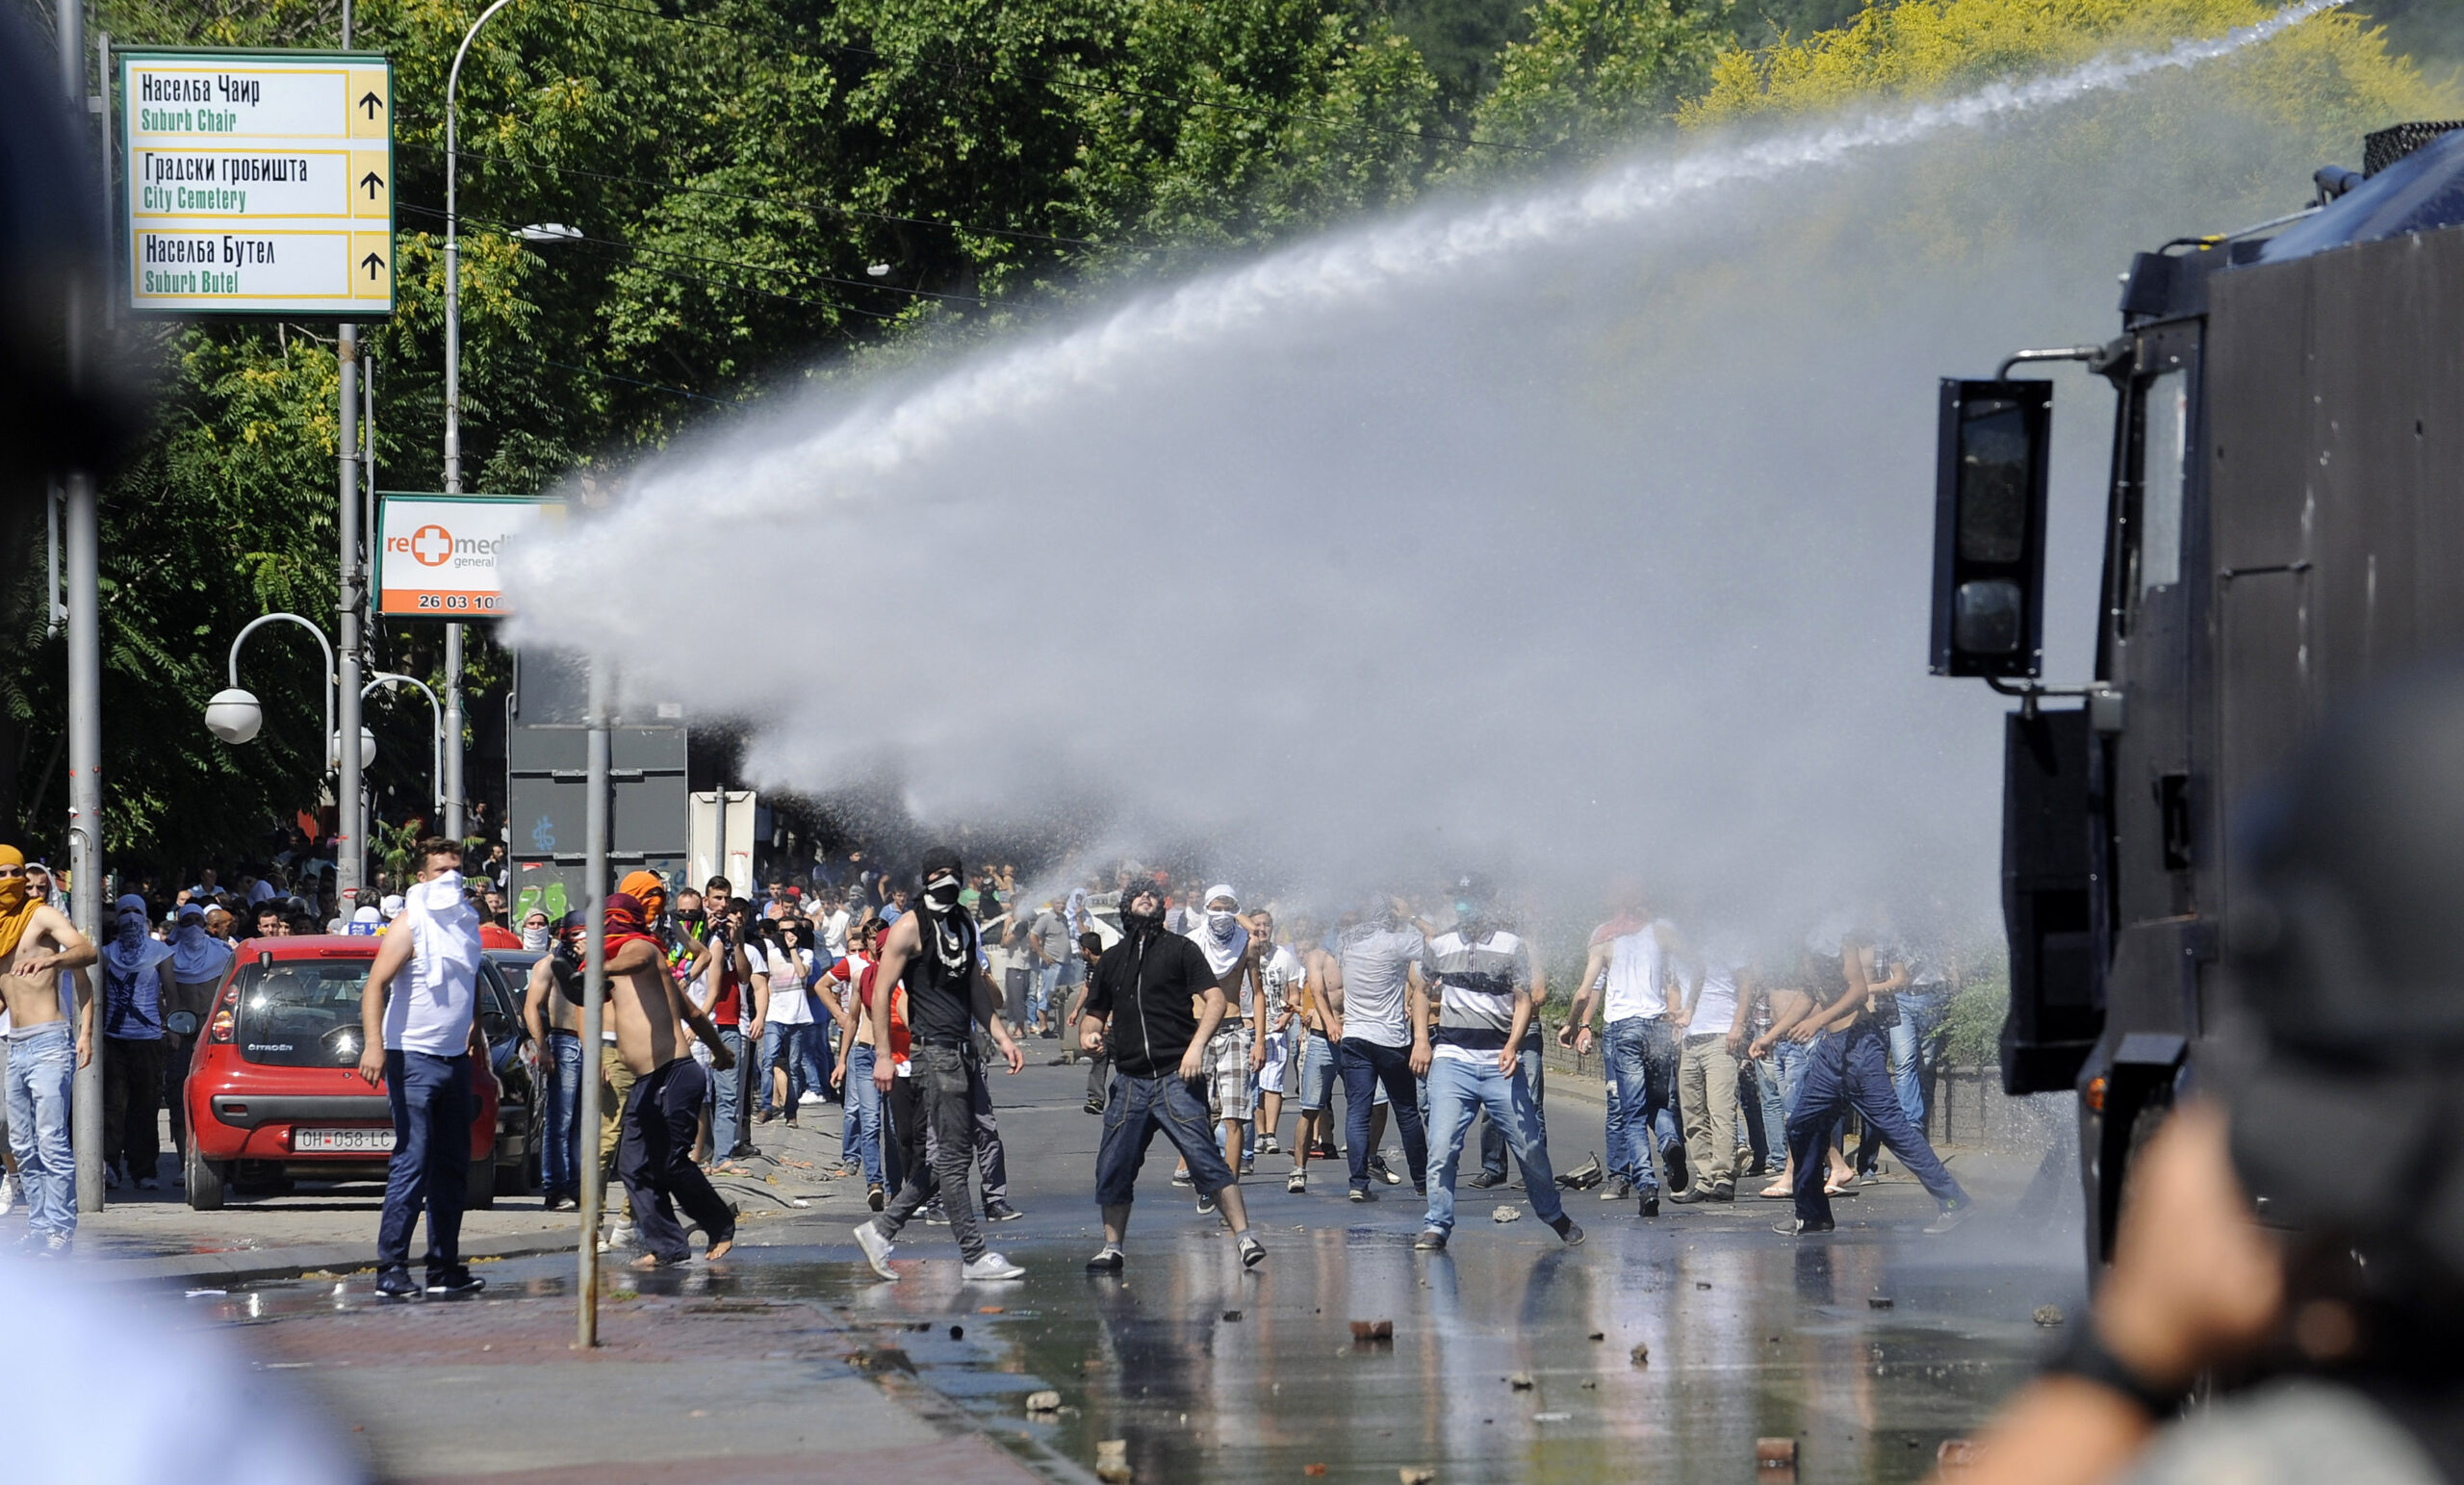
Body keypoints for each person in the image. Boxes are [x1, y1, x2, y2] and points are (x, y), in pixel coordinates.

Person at [850, 849, 1027, 1284]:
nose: (947, 880)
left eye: (954, 874)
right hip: (932, 1052)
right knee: (952, 1158)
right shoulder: (909, 926)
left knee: (949, 1154)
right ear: (926, 878)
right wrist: (883, 1056)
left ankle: (881, 1230)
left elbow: (975, 989)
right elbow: (881, 992)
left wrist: (1002, 1037)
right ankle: (974, 1255)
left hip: (964, 1049)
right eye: (939, 874)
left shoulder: (963, 922)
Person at [1079, 879, 1266, 1272]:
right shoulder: (1112, 960)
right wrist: (1088, 1035)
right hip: (1129, 1080)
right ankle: (1112, 1247)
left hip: (1175, 1076)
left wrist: (1196, 1047)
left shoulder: (1180, 949)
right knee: (1114, 1164)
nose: (1146, 897)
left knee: (1204, 1159)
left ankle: (1245, 1237)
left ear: (1162, 908)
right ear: (1126, 908)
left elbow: (1215, 1000)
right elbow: (1094, 1014)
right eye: (1138, 895)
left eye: (1152, 894)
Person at [355, 837, 490, 1298]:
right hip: (412, 1055)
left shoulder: (466, 922)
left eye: (456, 869)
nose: (450, 878)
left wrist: (476, 1026)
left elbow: (470, 976)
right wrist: (374, 1046)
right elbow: (374, 986)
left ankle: (443, 1268)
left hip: (455, 1059)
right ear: (421, 877)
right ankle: (391, 1269)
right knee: (412, 1162)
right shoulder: (410, 923)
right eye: (440, 871)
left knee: (453, 1166)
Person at [1415, 890, 1582, 1251]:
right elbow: (1420, 990)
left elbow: (1523, 998)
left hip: (1499, 1063)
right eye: (1459, 899)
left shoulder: (1511, 946)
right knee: (1442, 1146)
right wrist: (1421, 1041)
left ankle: (1554, 1214)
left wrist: (1512, 1045)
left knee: (1530, 1147)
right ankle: (1437, 1224)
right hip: (1452, 1060)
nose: (1464, 906)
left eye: (1470, 898)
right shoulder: (1440, 945)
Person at [1775, 926, 1969, 1238]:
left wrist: (1816, 1021)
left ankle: (1955, 1202)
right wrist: (1771, 1035)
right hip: (1831, 1051)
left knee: (1895, 1130)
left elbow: (1859, 992)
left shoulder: (1839, 936)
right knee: (1801, 1125)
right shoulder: (1808, 941)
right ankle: (1812, 1216)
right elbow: (1811, 993)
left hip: (1859, 1047)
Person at [603, 888, 739, 1267]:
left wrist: (601, 966)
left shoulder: (641, 950)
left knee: (671, 1162)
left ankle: (720, 1223)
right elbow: (693, 1014)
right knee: (633, 1165)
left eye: (612, 922)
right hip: (646, 1082)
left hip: (674, 1074)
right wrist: (720, 1052)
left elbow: (635, 958)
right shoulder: (620, 970)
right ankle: (668, 1245)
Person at [0, 844, 96, 1252]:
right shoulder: (1, 929)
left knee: (51, 1140)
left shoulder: (40, 915)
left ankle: (60, 1229)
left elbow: (87, 951)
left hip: (49, 1042)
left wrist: (51, 961)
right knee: (21, 1145)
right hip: (14, 1044)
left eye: (15, 873)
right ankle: (39, 1227)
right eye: (2, 874)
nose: (10, 882)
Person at [1566, 889, 1686, 1215]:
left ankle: (1646, 1184)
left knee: (1631, 1113)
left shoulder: (1605, 937)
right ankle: (1669, 1142)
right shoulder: (1661, 932)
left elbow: (1584, 992)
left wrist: (1573, 1024)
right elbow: (1687, 969)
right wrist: (1683, 1010)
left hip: (1624, 1029)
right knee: (1660, 1103)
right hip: (1657, 1027)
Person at [1328, 895, 1430, 1204]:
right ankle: (1422, 1181)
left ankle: (1358, 1183)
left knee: (1358, 1113)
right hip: (1390, 1038)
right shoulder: (1398, 943)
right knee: (1407, 1112)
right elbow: (1436, 941)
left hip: (1355, 1036)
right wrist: (1411, 917)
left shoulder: (1346, 942)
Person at [1188, 885, 1261, 1209]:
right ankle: (1207, 1181)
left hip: (1234, 1031)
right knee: (1199, 1114)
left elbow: (1257, 993)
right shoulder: (1193, 942)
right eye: (1214, 908)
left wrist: (1259, 1040)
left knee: (1235, 1116)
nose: (1220, 915)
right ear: (1205, 908)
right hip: (1199, 1032)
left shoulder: (1246, 943)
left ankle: (1229, 1190)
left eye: (1227, 908)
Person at [1669, 935, 1753, 1203]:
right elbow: (1675, 986)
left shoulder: (1727, 941)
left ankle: (1724, 1177)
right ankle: (1705, 1179)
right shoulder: (1680, 947)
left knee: (1720, 1110)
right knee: (1692, 1114)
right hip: (1690, 1039)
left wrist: (1738, 1025)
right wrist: (1674, 1014)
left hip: (1721, 1035)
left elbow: (1747, 984)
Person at [97, 893, 173, 1190]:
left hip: (148, 1039)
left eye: (135, 911)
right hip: (113, 1039)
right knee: (112, 1106)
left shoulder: (160, 953)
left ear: (144, 917)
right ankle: (109, 1165)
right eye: (125, 911)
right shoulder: (106, 954)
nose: (131, 917)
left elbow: (171, 995)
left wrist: (175, 1028)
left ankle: (144, 1170)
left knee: (146, 1106)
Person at [522, 910, 587, 1211]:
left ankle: (576, 1186)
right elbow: (531, 1007)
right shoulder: (549, 964)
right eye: (580, 933)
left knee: (581, 1123)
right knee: (560, 1121)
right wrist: (543, 1047)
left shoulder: (594, 963)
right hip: (564, 1042)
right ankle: (555, 1188)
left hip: (590, 1044)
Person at [164, 902, 234, 1169]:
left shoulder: (222, 953)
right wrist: (171, 1026)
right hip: (180, 1038)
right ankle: (185, 1163)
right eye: (186, 921)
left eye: (197, 921)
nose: (192, 927)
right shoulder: (168, 957)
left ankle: (218, 1160)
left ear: (205, 926)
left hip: (214, 1039)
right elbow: (163, 996)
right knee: (178, 1099)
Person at [824, 916, 886, 1206]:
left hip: (893, 1055)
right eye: (871, 938)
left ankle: (896, 1185)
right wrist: (842, 1060)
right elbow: (850, 1017)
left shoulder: (900, 971)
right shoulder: (860, 972)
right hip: (863, 1051)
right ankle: (874, 1182)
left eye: (879, 937)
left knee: (894, 1128)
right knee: (866, 1119)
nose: (875, 943)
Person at [1247, 909, 1305, 1160]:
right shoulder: (1244, 955)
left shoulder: (1284, 957)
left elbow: (1294, 994)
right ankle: (1259, 1134)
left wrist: (1287, 1017)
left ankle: (1270, 1134)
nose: (1262, 929)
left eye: (1266, 925)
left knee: (1273, 1084)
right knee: (1255, 1085)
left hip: (1275, 1028)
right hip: (1249, 1028)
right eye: (1257, 925)